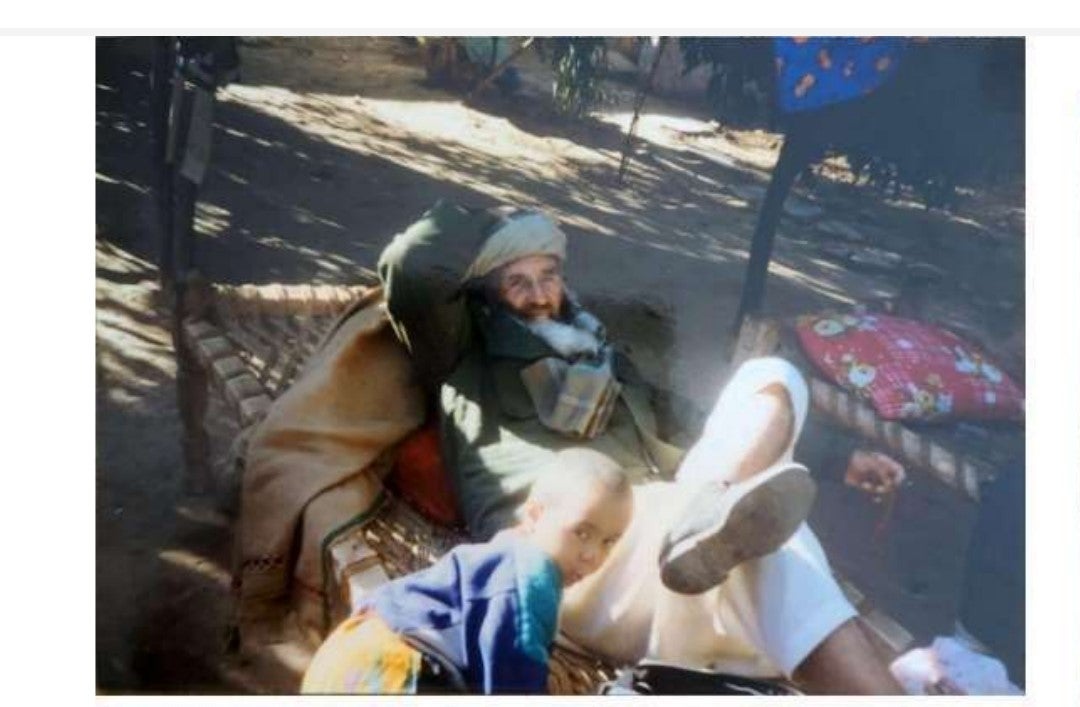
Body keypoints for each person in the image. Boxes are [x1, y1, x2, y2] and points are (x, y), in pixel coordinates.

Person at [377, 200, 906, 693]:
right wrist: (492, 226)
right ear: (486, 293)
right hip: (577, 556)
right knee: (776, 552)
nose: (539, 296)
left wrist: (840, 458)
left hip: (663, 533)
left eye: (548, 277)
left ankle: (710, 513)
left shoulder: (600, 354)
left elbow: (694, 424)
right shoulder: (466, 356)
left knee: (774, 375)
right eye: (516, 282)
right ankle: (710, 521)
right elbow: (411, 263)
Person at [300, 448, 633, 694]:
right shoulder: (533, 575)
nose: (593, 555)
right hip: (389, 670)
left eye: (609, 542)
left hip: (345, 658)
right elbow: (513, 675)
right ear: (533, 515)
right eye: (582, 532)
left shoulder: (500, 554)